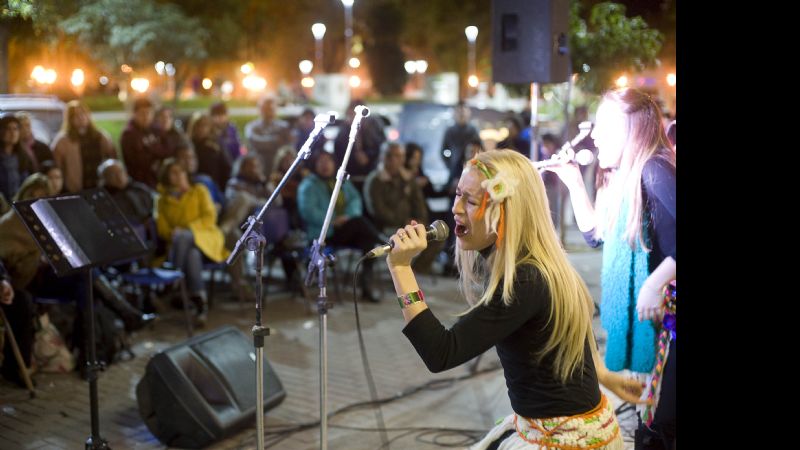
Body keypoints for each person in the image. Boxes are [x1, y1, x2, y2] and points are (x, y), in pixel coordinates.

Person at [384, 149, 643, 450]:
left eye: (471, 201)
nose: (455, 208)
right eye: (457, 195)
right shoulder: (529, 264)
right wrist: (603, 376)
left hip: (564, 440)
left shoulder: (525, 279)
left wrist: (400, 269)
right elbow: (575, 330)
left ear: (507, 212)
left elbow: (441, 352)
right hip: (560, 427)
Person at [546, 88, 676, 450]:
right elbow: (596, 235)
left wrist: (653, 284)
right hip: (655, 323)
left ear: (632, 127)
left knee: (659, 429)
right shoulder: (620, 175)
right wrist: (573, 180)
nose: (596, 136)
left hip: (669, 325)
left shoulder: (655, 169)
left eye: (604, 126)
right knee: (651, 425)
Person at [156, 160, 230, 325]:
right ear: (166, 177)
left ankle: (173, 280)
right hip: (179, 247)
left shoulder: (199, 190)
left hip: (207, 240)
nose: (178, 176)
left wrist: (187, 230)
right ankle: (200, 303)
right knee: (192, 255)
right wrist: (174, 233)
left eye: (181, 171)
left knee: (184, 237)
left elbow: (210, 217)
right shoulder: (162, 200)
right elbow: (162, 229)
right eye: (173, 173)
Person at [52, 101, 116, 193]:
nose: (81, 117)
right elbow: (57, 168)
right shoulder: (63, 141)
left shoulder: (100, 137)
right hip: (75, 190)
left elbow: (113, 159)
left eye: (83, 113)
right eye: (76, 115)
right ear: (70, 119)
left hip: (100, 187)